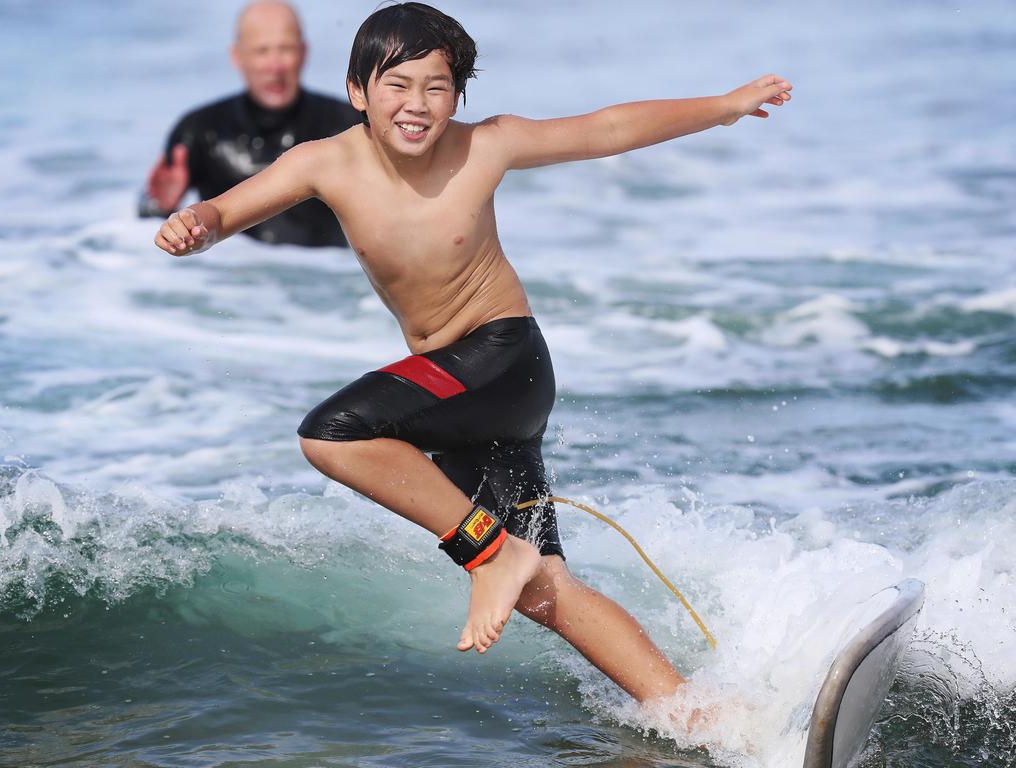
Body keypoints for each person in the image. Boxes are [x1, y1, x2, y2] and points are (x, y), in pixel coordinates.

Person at [153, 2, 791, 708]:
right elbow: (229, 209)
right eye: (397, 85)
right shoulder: (325, 162)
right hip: (457, 394)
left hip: (502, 360)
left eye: (438, 87)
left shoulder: (484, 146)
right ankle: (697, 714)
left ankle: (491, 554)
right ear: (358, 91)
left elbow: (606, 129)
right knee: (547, 591)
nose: (418, 105)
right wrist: (196, 225)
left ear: (457, 95)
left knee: (333, 433)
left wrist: (724, 107)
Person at [139, 0, 360, 247]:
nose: (274, 66)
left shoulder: (347, 127)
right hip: (231, 280)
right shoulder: (200, 131)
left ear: (303, 52)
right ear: (237, 56)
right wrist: (161, 206)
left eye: (285, 49)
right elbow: (147, 231)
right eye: (261, 51)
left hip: (330, 274)